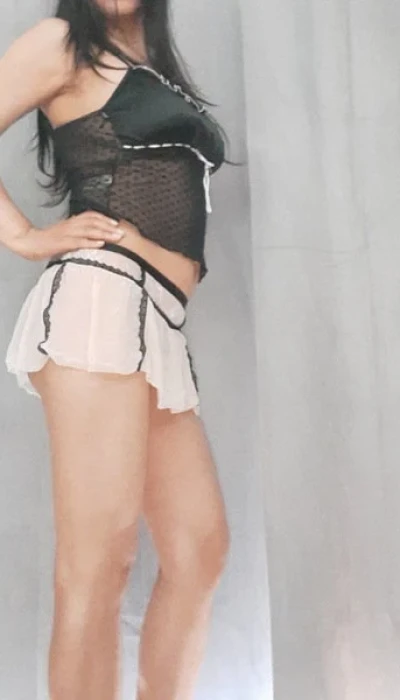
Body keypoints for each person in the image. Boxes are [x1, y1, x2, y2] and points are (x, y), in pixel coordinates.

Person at [0, 2, 231, 699]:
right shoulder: (63, 42)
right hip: (101, 301)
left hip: (155, 323)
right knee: (97, 566)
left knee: (199, 549)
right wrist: (24, 237)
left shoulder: (152, 62)